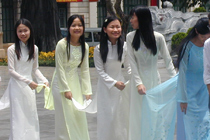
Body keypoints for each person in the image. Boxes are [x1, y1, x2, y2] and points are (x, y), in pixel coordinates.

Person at [126, 6, 176, 140]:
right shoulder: (130, 37)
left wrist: (175, 79)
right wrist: (138, 84)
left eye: (133, 17)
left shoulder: (158, 37)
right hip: (138, 85)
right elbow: (132, 64)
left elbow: (167, 60)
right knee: (138, 116)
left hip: (154, 82)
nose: (131, 20)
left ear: (142, 19)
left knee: (154, 115)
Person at [0, 18, 49, 140]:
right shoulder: (12, 49)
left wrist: (44, 80)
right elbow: (11, 71)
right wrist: (28, 81)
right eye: (20, 31)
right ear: (16, 33)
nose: (23, 34)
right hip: (17, 87)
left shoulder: (34, 48)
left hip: (29, 87)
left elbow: (35, 68)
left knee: (30, 115)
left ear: (30, 31)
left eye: (25, 30)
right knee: (18, 117)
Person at [51, 14, 92, 140]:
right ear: (68, 28)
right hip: (60, 84)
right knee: (65, 116)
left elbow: (85, 70)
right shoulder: (61, 45)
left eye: (80, 25)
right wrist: (65, 89)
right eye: (73, 25)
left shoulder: (84, 46)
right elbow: (60, 68)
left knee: (77, 114)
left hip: (75, 82)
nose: (77, 28)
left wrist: (87, 91)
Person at [94, 16, 131, 140]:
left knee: (120, 119)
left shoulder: (125, 46)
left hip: (121, 87)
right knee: (107, 119)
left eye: (118, 26)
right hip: (105, 88)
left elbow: (128, 67)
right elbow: (100, 72)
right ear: (105, 29)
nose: (116, 30)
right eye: (112, 27)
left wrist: (136, 79)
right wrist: (114, 83)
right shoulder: (98, 49)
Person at [176, 17, 210, 140]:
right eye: (203, 36)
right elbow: (182, 73)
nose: (206, 39)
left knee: (206, 124)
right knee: (191, 128)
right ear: (196, 31)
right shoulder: (187, 47)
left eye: (208, 36)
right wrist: (183, 98)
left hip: (205, 92)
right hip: (189, 94)